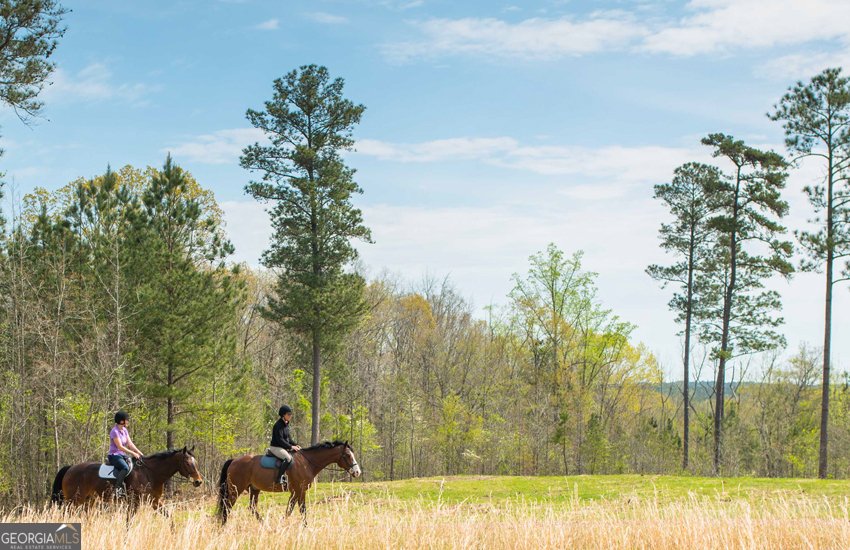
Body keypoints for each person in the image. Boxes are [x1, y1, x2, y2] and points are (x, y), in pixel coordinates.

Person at [107, 410, 144, 497]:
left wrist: (139, 452)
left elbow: (130, 444)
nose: (128, 421)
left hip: (122, 455)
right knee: (125, 468)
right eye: (126, 420)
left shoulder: (124, 430)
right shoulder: (114, 431)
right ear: (121, 421)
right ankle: (118, 489)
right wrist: (133, 453)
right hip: (114, 456)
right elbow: (120, 447)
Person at [268, 405, 301, 486]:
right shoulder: (278, 425)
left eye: (291, 414)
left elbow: (288, 439)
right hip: (276, 447)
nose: (291, 416)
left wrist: (296, 444)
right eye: (289, 414)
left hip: (282, 447)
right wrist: (291, 447)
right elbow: (280, 440)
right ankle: (279, 478)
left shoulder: (286, 424)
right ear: (283, 415)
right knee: (288, 458)